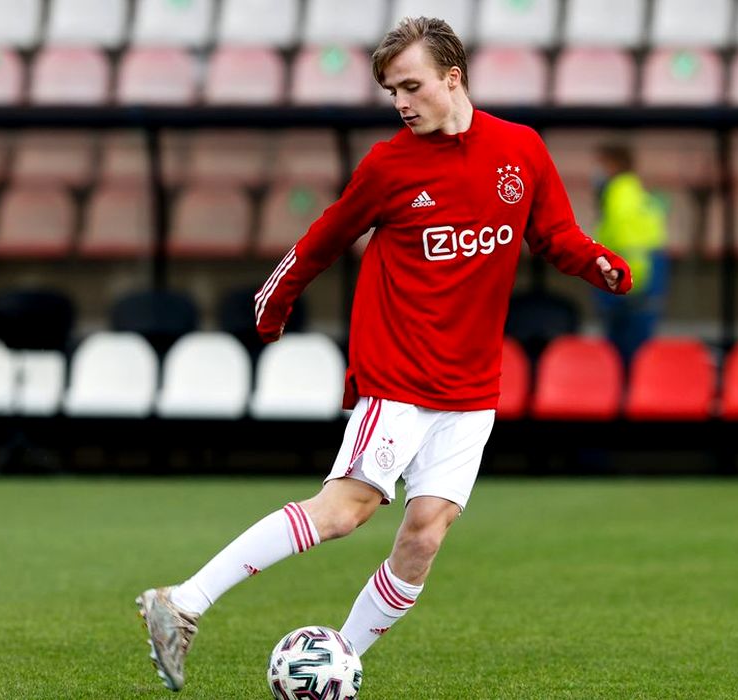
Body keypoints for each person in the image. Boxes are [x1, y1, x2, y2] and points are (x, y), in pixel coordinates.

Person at [135, 17, 633, 692]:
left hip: (473, 387)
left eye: (410, 86)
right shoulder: (389, 165)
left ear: (452, 77)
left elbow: (555, 235)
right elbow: (324, 237)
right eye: (392, 91)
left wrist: (598, 262)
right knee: (346, 510)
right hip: (399, 375)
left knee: (424, 536)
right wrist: (273, 303)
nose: (401, 102)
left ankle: (337, 660)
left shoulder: (520, 148)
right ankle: (183, 602)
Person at [591, 144, 668, 364]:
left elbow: (623, 239)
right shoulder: (636, 191)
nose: (596, 171)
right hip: (644, 277)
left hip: (628, 280)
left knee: (623, 354)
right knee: (636, 353)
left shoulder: (619, 192)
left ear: (614, 164)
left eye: (601, 164)